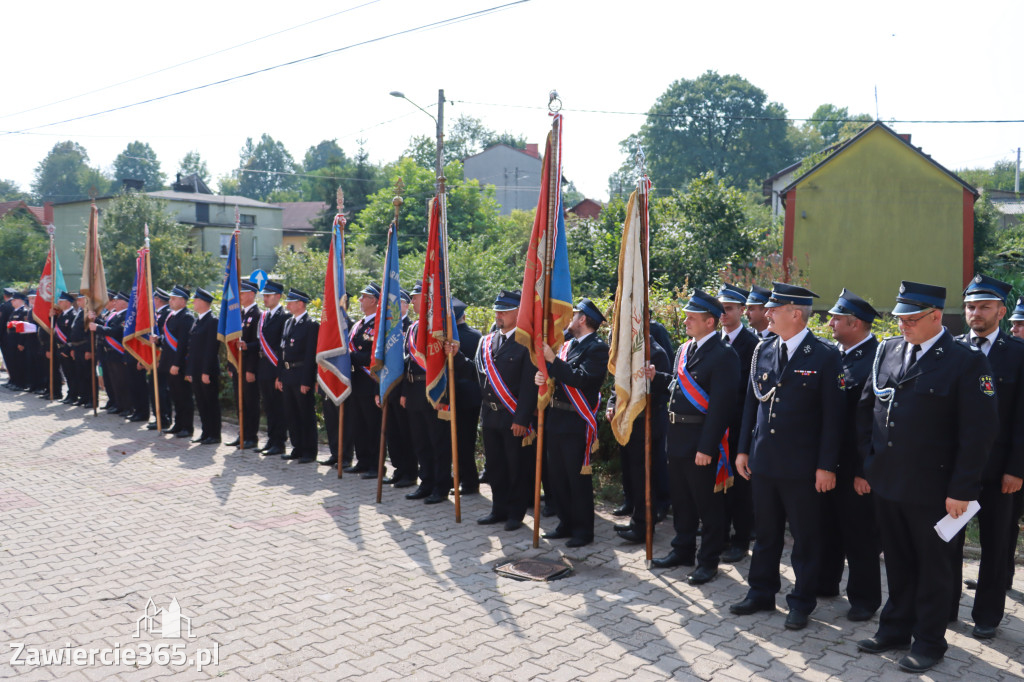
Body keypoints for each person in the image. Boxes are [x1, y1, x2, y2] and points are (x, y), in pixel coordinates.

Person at [855, 281, 998, 673]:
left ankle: (930, 641)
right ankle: (895, 628)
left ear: (936, 317)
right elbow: (868, 409)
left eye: (911, 319)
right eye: (899, 317)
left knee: (934, 569)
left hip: (935, 489)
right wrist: (867, 465)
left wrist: (963, 489)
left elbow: (979, 433)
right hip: (887, 482)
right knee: (898, 562)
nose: (902, 324)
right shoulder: (887, 349)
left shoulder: (964, 361)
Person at [730, 282, 843, 631]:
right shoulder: (763, 349)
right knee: (766, 533)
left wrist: (826, 466)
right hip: (764, 461)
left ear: (796, 313)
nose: (767, 314)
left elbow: (834, 419)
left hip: (803, 468)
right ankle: (761, 591)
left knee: (805, 539)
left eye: (774, 309)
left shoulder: (824, 355)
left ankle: (800, 602)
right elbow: (752, 404)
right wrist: (743, 449)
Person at [948, 275, 1024, 640]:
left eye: (984, 307)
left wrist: (1016, 468)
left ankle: (987, 615)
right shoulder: (952, 348)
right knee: (947, 540)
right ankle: (945, 605)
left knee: (996, 544)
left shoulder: (1019, 354)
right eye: (970, 306)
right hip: (955, 470)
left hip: (999, 473)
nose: (975, 313)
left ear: (1000, 311)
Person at [650, 290, 739, 584]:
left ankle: (708, 561)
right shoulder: (685, 349)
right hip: (677, 437)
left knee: (707, 505)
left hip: (701, 440)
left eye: (692, 317)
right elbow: (678, 387)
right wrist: (656, 377)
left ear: (710, 322)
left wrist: (707, 446)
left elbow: (721, 408)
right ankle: (682, 550)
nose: (686, 321)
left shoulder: (725, 355)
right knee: (683, 501)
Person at [817, 288, 882, 621]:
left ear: (854, 323)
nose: (829, 322)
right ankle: (826, 582)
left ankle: (864, 599)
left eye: (836, 318)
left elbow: (874, 423)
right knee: (829, 526)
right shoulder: (834, 355)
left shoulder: (876, 359)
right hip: (830, 462)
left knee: (859, 534)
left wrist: (864, 471)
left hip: (855, 465)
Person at [537, 298, 610, 548]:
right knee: (557, 477)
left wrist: (553, 361)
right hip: (557, 417)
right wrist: (543, 377)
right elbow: (558, 377)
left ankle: (583, 530)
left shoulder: (598, 348)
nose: (569, 317)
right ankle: (565, 523)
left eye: (575, 313)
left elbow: (582, 380)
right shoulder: (568, 345)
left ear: (583, 319)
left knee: (576, 478)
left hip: (576, 421)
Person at [469, 290, 537, 530]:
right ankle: (498, 509)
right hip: (491, 414)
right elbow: (479, 377)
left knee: (516, 466)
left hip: (513, 415)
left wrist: (522, 418)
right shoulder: (489, 340)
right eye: (497, 310)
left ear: (518, 312)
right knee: (495, 466)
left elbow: (529, 387)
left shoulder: (525, 343)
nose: (498, 314)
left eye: (505, 310)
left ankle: (515, 514)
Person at [608, 329, 670, 545]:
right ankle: (637, 519)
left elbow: (663, 391)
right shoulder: (631, 351)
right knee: (634, 475)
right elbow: (620, 386)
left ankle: (645, 526)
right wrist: (611, 405)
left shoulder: (657, 353)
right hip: (630, 423)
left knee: (645, 478)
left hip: (647, 424)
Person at [717, 283, 758, 564]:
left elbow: (751, 391)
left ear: (742, 311)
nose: (724, 314)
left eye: (729, 308)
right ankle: (718, 535)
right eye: (720, 309)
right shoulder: (713, 341)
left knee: (741, 489)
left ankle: (740, 540)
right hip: (714, 427)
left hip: (740, 427)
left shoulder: (753, 345)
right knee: (718, 487)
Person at [402, 284, 453, 504]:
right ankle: (426, 482)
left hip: (435, 391)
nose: (412, 302)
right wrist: (404, 392)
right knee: (420, 441)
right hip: (414, 391)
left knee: (438, 441)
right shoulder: (413, 328)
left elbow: (446, 364)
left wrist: (443, 396)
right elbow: (408, 364)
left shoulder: (440, 327)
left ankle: (441, 487)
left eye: (415, 298)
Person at [275, 288, 319, 463]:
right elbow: (282, 351)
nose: (288, 305)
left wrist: (307, 380)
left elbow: (310, 356)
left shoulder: (311, 324)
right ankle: (297, 447)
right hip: (287, 374)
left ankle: (309, 451)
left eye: (291, 302)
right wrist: (279, 376)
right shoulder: (288, 323)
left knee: (305, 414)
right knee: (291, 414)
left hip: (301, 375)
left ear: (300, 304)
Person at [344, 283, 382, 474]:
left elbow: (374, 357)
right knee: (358, 423)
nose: (359, 300)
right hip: (356, 381)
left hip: (370, 381)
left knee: (372, 425)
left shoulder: (380, 325)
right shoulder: (359, 324)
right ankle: (363, 461)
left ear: (374, 300)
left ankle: (376, 465)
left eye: (363, 297)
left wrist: (350, 356)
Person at [452, 298, 482, 494]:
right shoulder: (477, 335)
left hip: (460, 395)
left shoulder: (452, 338)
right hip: (471, 396)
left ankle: (468, 481)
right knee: (464, 442)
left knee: (460, 442)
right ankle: (464, 478)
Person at [156, 286, 195, 438]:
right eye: (170, 298)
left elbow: (183, 344)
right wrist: (158, 340)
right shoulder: (171, 316)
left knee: (184, 396)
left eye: (174, 298)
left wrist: (177, 364)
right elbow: (167, 340)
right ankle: (178, 424)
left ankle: (187, 426)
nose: (170, 301)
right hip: (168, 362)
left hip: (179, 364)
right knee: (175, 396)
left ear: (183, 301)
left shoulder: (187, 317)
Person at [226, 281, 261, 449]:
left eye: (243, 293)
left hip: (248, 366)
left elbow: (258, 344)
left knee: (250, 403)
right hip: (237, 366)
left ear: (252, 294)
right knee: (239, 402)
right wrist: (231, 365)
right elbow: (231, 342)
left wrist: (251, 369)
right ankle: (242, 433)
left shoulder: (257, 315)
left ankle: (251, 437)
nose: (239, 296)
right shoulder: (238, 314)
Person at [256, 281, 288, 456]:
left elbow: (282, 349)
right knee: (268, 406)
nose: (265, 299)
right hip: (264, 368)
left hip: (275, 369)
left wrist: (280, 374)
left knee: (278, 407)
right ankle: (271, 439)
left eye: (268, 296)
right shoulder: (265, 317)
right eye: (264, 296)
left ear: (278, 297)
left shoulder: (284, 317)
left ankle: (279, 442)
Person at [186, 287, 220, 445]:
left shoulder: (212, 321)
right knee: (201, 403)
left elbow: (211, 349)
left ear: (204, 302)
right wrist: (190, 371)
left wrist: (206, 372)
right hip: (196, 369)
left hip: (207, 370)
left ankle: (214, 434)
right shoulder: (197, 320)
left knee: (210, 402)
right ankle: (206, 432)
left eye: (196, 300)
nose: (193, 302)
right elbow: (192, 349)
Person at [147, 288, 173, 430]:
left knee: (161, 390)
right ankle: (159, 417)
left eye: (154, 299)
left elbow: (166, 340)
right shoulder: (158, 314)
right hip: (155, 358)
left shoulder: (165, 315)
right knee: (154, 389)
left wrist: (159, 358)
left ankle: (164, 419)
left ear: (158, 300)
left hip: (161, 358)